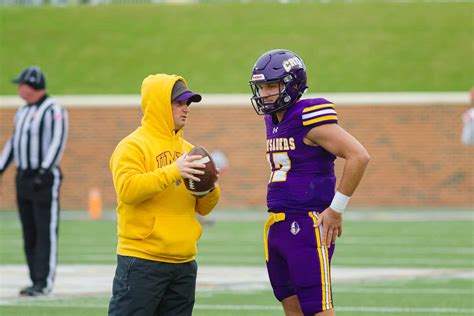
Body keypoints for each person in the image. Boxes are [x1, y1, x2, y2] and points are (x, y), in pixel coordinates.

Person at [249, 49, 370, 316]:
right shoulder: (274, 119)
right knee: (292, 308)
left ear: (292, 84)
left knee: (318, 309)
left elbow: (358, 156)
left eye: (271, 85)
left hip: (306, 224)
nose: (265, 93)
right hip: (277, 226)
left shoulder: (308, 114)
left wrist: (336, 209)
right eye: (261, 86)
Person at [108, 74, 221, 316]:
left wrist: (210, 186)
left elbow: (204, 208)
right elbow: (127, 190)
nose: (186, 109)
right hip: (142, 261)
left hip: (183, 264)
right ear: (159, 104)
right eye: (179, 103)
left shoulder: (190, 150)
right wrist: (173, 171)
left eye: (188, 103)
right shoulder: (132, 146)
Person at [0, 66, 68, 296]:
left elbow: (58, 141)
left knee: (45, 230)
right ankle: (34, 280)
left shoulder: (53, 110)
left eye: (22, 84)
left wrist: (44, 170)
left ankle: (44, 282)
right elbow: (14, 142)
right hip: (23, 177)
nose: (19, 88)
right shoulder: (22, 112)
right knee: (29, 230)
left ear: (32, 86)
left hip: (44, 178)